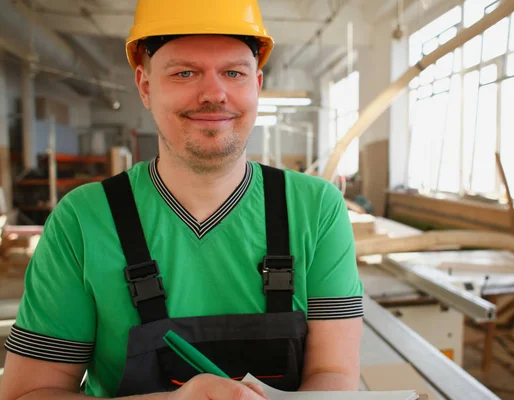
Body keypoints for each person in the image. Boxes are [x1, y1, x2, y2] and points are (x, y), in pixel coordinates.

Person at [0, 0, 364, 398]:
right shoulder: (83, 220)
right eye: (185, 72)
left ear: (257, 85)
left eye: (233, 72)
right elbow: (26, 393)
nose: (214, 93)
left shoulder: (317, 209)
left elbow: (334, 374)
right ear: (145, 86)